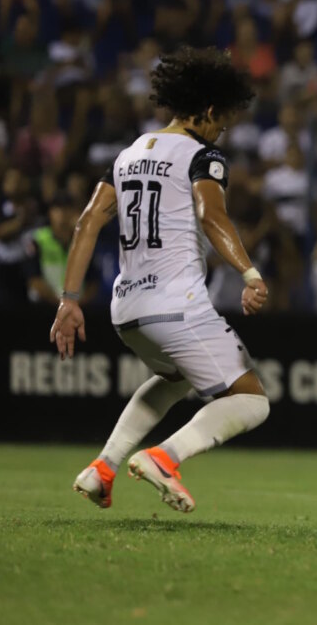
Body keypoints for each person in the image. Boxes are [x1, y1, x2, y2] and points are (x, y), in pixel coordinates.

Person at [55, 47, 271, 514]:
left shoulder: (128, 153)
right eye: (223, 120)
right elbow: (210, 215)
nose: (222, 130)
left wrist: (68, 301)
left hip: (127, 309)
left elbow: (87, 223)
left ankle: (103, 469)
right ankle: (163, 458)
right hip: (177, 303)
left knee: (172, 379)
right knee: (253, 402)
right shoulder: (203, 155)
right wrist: (249, 274)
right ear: (209, 110)